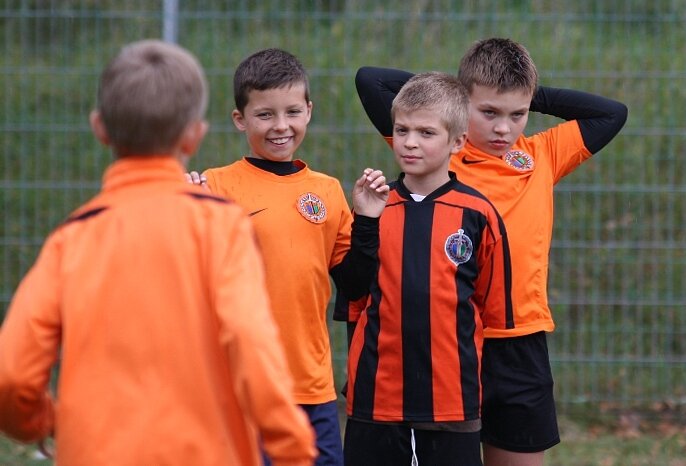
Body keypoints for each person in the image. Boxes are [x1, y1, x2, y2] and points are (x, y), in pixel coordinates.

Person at [0, 39, 316, 466]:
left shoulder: (71, 240)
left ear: (99, 128)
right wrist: (292, 449)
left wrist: (43, 422)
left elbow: (11, 377)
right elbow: (252, 346)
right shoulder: (221, 228)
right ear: (194, 134)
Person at [354, 37, 628, 466]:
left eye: (517, 115)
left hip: (519, 341)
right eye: (489, 113)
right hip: (450, 343)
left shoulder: (542, 154)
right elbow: (370, 80)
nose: (503, 128)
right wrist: (453, 95)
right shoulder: (438, 148)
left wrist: (525, 94)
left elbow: (612, 113)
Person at [186, 48, 357, 466]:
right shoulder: (214, 187)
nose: (281, 126)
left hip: (311, 386)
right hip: (242, 387)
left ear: (309, 111)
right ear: (240, 119)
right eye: (265, 115)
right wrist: (184, 213)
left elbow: (357, 282)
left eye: (292, 112)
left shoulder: (328, 191)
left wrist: (368, 222)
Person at [336, 71, 513, 466]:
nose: (410, 142)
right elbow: (353, 297)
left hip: (452, 402)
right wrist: (365, 222)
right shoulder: (372, 206)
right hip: (376, 402)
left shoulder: (478, 214)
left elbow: (492, 314)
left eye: (426, 133)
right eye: (402, 130)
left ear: (457, 142)